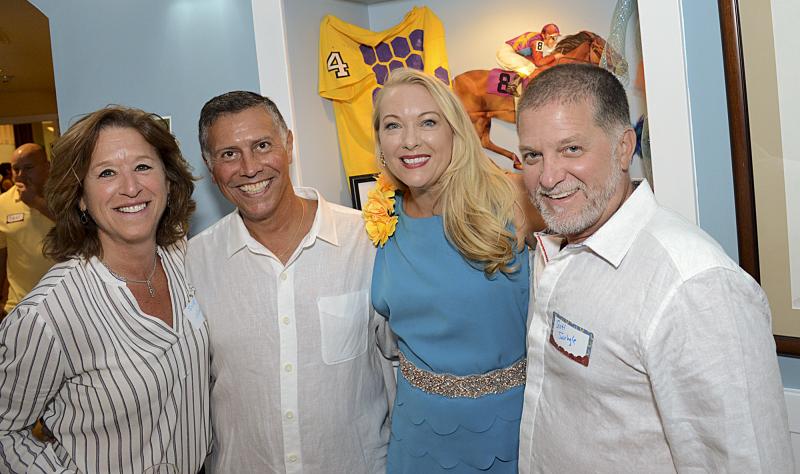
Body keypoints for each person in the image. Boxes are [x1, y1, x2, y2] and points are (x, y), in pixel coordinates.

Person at [516, 63, 793, 472]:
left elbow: (743, 461)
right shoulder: (560, 248)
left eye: (571, 149)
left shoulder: (693, 287)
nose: (549, 177)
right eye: (533, 156)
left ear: (623, 147)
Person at [189, 91, 394, 473]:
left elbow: (403, 366)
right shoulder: (193, 264)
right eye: (229, 154)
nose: (249, 168)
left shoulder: (366, 241)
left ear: (289, 144)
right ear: (209, 165)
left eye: (262, 145)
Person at [0, 106, 209, 473]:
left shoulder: (184, 261)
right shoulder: (47, 314)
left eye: (143, 167)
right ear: (80, 197)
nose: (131, 187)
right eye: (107, 172)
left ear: (167, 179)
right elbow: (5, 432)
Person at [369, 68, 542, 473]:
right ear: (380, 142)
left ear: (455, 131)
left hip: (509, 433)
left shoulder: (513, 196)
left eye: (428, 122)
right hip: (417, 439)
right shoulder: (380, 220)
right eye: (393, 126)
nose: (410, 140)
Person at [0, 144, 55, 318]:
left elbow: (79, 227)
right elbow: (2, 255)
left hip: (66, 300)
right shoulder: (2, 204)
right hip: (21, 305)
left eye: (28, 168)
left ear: (47, 166)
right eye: (16, 169)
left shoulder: (65, 196)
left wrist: (36, 202)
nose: (21, 175)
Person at [496, 23, 562, 95]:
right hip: (506, 53)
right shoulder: (538, 42)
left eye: (556, 38)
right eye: (553, 38)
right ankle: (512, 86)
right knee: (530, 67)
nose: (555, 41)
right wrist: (555, 57)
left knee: (530, 66)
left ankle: (514, 85)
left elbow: (532, 60)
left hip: (507, 52)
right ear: (545, 35)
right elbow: (539, 62)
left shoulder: (536, 39)